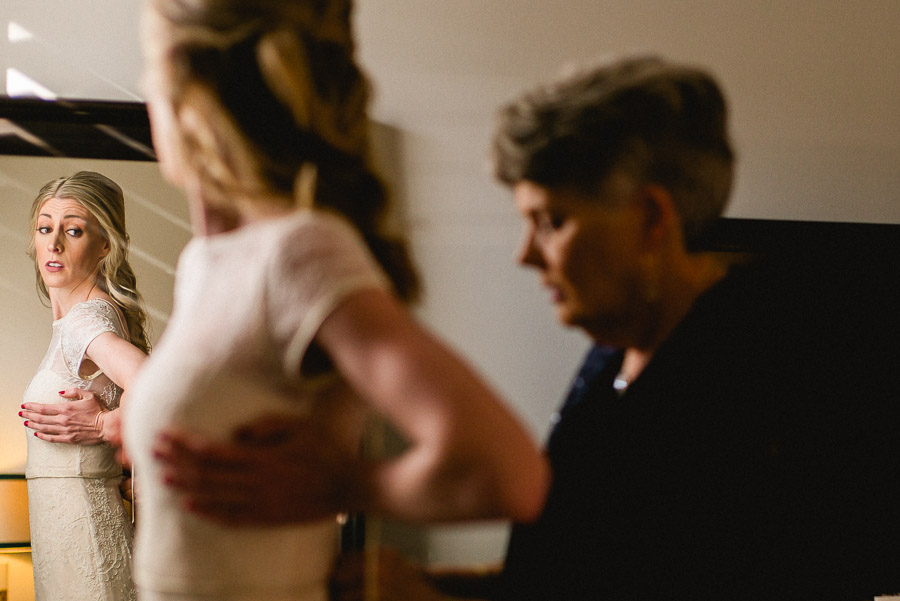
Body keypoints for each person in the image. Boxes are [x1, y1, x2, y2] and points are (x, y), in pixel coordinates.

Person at [157, 54, 900, 601]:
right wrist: (433, 585)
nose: (525, 255)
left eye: (552, 222)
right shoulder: (613, 355)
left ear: (650, 219)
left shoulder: (761, 371)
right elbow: (584, 566)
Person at [122, 1, 549, 600]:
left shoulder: (300, 253)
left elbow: (507, 474)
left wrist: (344, 486)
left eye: (150, 71)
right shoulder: (207, 263)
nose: (145, 95)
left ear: (190, 95)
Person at [20, 170, 149, 601]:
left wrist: (104, 426)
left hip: (85, 540)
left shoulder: (84, 322)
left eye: (73, 230)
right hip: (69, 535)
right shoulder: (83, 318)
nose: (53, 243)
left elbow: (155, 385)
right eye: (45, 228)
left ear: (105, 244)